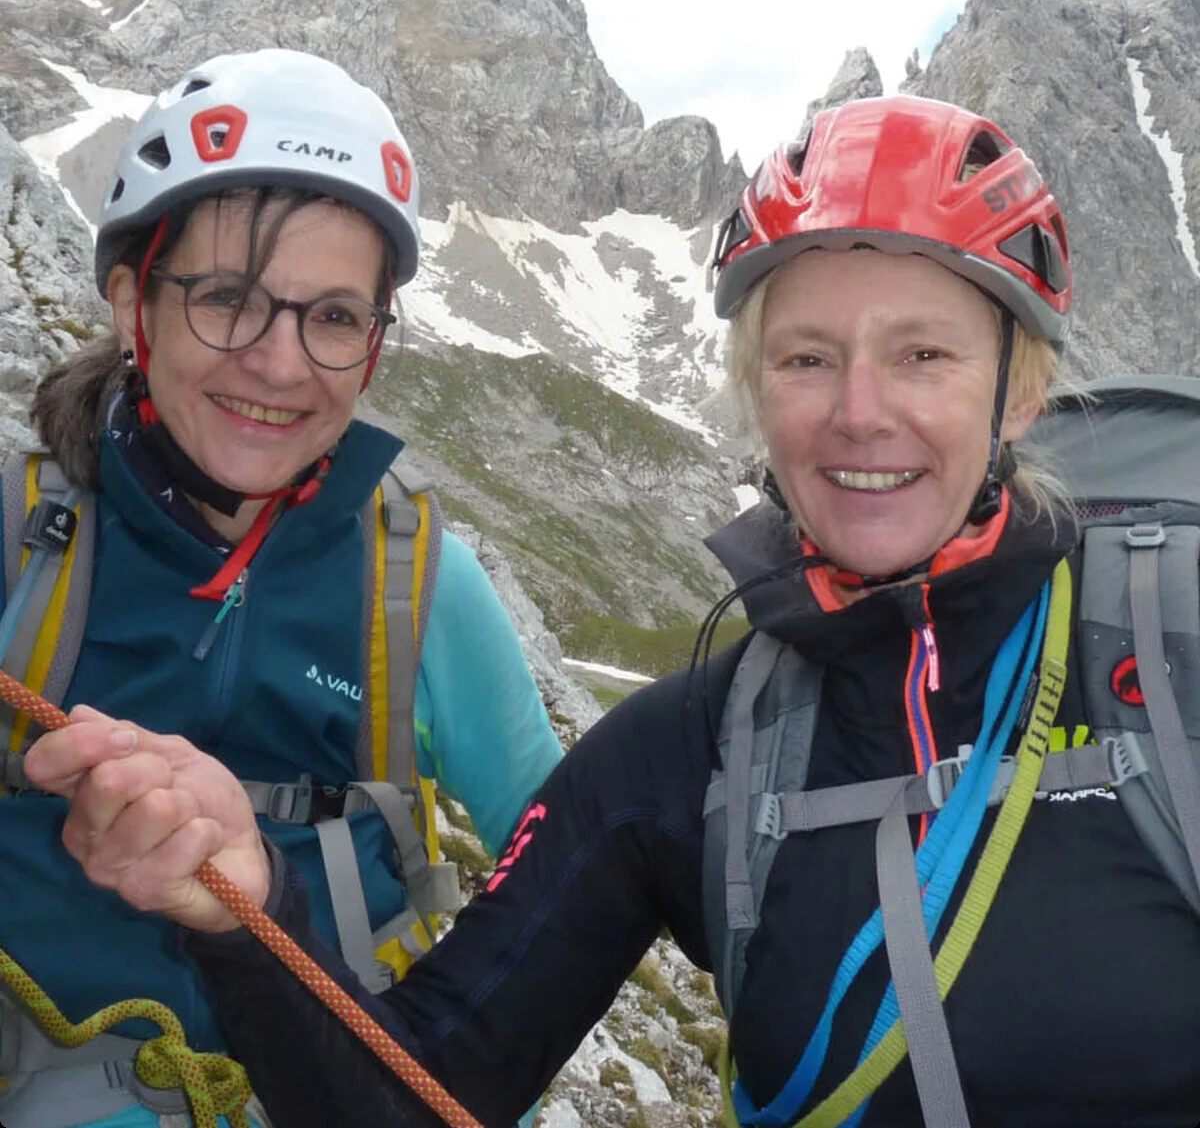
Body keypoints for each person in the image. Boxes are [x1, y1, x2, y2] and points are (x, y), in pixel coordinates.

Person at [25, 95, 1200, 1128]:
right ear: (752, 388)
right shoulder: (686, 752)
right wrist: (247, 900)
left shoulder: (1172, 639)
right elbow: (422, 1092)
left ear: (1024, 388)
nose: (857, 411)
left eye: (924, 353)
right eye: (804, 359)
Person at [0, 49, 562, 1128]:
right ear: (133, 304)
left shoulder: (414, 582)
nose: (280, 362)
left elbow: (562, 852)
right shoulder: (21, 541)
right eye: (226, 298)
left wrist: (440, 1049)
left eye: (335, 316)